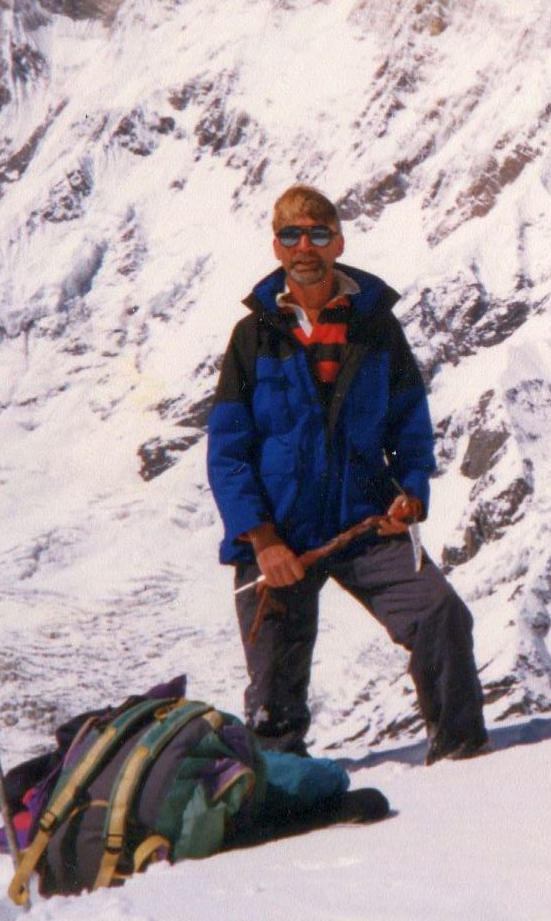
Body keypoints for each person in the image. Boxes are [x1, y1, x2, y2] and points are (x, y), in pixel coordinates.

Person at [205, 184, 488, 764]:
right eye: (291, 235)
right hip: (279, 540)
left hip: (364, 521)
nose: (304, 246)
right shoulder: (252, 337)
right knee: (274, 703)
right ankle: (284, 798)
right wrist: (261, 541)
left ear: (338, 241)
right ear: (277, 247)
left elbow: (409, 420)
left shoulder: (374, 326)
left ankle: (464, 758)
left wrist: (411, 490)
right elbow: (228, 451)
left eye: (316, 233)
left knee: (440, 615)